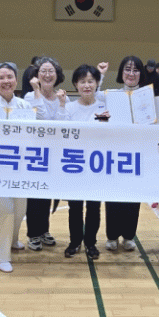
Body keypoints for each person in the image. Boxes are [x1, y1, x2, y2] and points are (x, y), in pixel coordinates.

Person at [0, 62, 43, 273]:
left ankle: (12, 240)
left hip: (20, 167)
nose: (6, 81)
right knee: (3, 210)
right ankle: (1, 255)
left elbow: (41, 127)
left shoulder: (24, 105)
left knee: (19, 209)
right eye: (1, 77)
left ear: (16, 80)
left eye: (10, 77)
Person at [58, 64, 110, 260]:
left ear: (97, 83)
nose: (87, 85)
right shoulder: (69, 107)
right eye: (82, 82)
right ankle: (74, 242)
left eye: (90, 81)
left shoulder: (104, 107)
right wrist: (61, 105)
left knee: (94, 207)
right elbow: (63, 133)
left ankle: (91, 243)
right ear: (75, 85)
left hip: (96, 165)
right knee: (75, 207)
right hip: (75, 164)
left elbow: (106, 134)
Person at [23, 56, 69, 251]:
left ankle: (44, 230)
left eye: (51, 71)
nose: (47, 75)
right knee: (35, 194)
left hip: (54, 153)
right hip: (34, 152)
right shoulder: (29, 97)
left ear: (57, 75)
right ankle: (33, 233)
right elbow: (40, 120)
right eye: (43, 71)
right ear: (37, 75)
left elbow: (60, 125)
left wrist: (62, 104)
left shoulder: (62, 97)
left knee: (47, 193)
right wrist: (36, 91)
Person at [104, 56, 147, 252]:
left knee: (132, 196)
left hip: (137, 155)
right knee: (113, 196)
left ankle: (129, 236)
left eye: (135, 70)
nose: (131, 73)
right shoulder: (111, 95)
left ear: (141, 73)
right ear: (121, 72)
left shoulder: (147, 97)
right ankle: (112, 236)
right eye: (127, 69)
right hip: (114, 154)